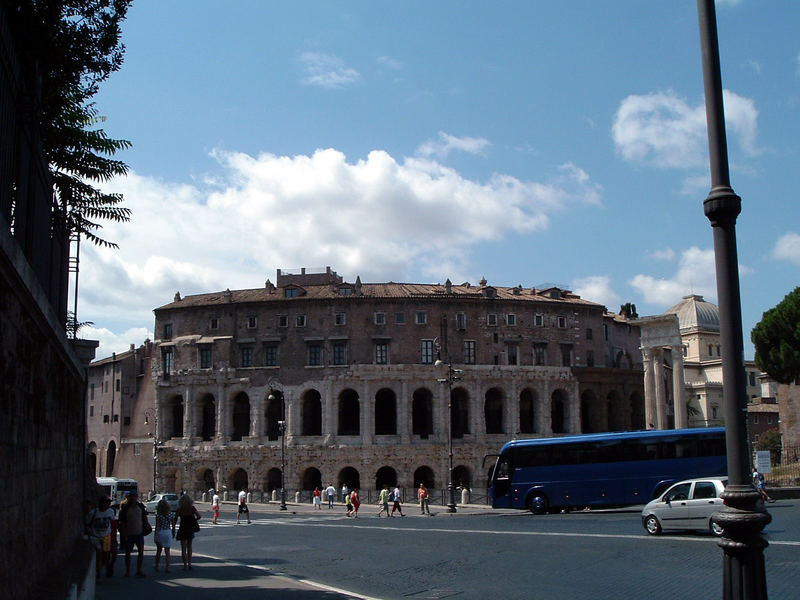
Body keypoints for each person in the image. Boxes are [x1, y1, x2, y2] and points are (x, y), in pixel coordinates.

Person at [118, 490, 148, 577]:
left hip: (139, 533)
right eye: (132, 496)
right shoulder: (125, 508)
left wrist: (145, 526)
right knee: (127, 553)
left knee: (141, 552)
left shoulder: (140, 506)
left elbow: (144, 517)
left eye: (134, 496)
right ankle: (127, 571)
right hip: (129, 534)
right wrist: (123, 535)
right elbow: (122, 522)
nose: (133, 498)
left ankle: (139, 570)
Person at [86, 497, 115, 582]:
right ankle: (99, 574)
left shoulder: (110, 512)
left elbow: (112, 522)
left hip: (106, 536)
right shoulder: (94, 513)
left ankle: (106, 568)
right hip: (96, 537)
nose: (107, 505)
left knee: (107, 555)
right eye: (105, 503)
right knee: (99, 555)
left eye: (108, 504)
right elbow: (87, 523)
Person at [174, 494, 201, 570]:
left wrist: (173, 529)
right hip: (190, 528)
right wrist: (193, 520)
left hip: (182, 528)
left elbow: (175, 520)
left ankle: (185, 565)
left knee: (183, 548)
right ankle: (189, 563)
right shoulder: (192, 508)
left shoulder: (179, 509)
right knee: (189, 547)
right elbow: (199, 516)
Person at [153, 498, 175, 572]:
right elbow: (173, 524)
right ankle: (167, 567)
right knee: (167, 551)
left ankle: (157, 565)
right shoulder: (171, 514)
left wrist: (155, 535)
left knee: (159, 550)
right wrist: (173, 531)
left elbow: (157, 526)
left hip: (161, 532)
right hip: (168, 532)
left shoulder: (158, 515)